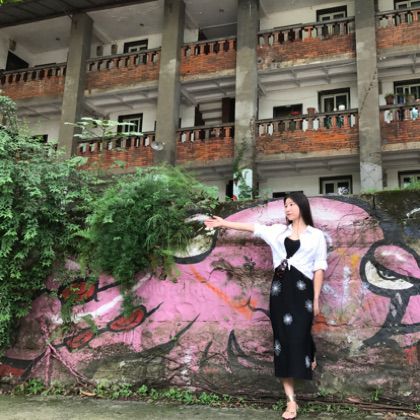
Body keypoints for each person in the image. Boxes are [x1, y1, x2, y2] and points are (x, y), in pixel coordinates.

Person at [204, 192, 328, 420]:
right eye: (285, 205)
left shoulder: (316, 236)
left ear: (302, 206)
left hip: (303, 292)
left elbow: (319, 267)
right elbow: (253, 227)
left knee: (300, 334)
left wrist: (317, 298)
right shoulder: (278, 232)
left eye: (291, 204)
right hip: (280, 292)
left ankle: (309, 351)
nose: (287, 208)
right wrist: (223, 223)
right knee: (282, 340)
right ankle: (291, 401)